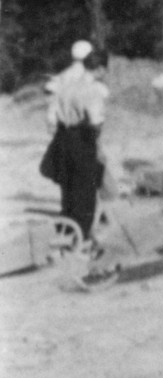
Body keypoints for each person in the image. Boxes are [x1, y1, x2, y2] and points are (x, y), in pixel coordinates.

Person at [41, 40, 110, 239]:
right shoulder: (93, 89)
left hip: (62, 138)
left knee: (68, 190)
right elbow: (96, 122)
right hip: (82, 140)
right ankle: (82, 239)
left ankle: (66, 232)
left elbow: (52, 110)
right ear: (99, 68)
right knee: (85, 193)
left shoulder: (66, 84)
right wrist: (97, 144)